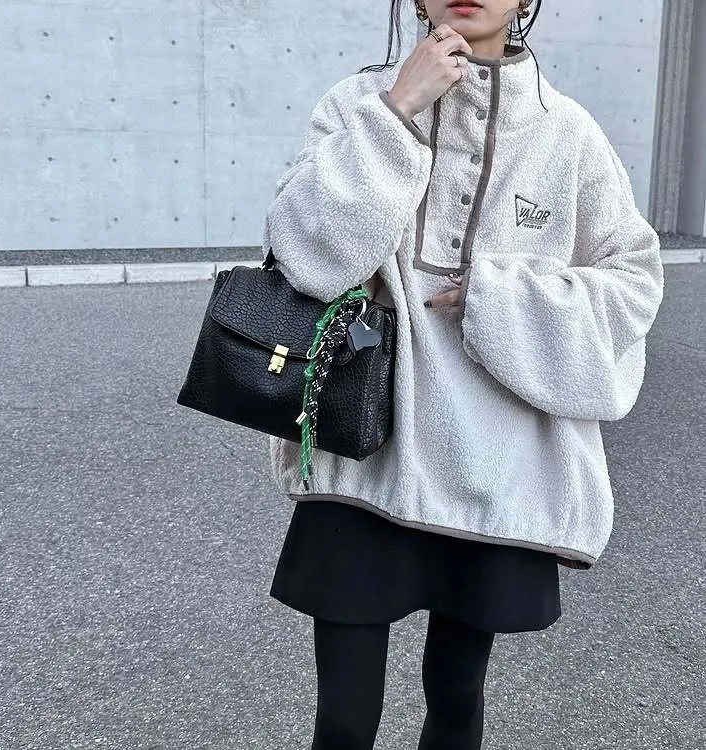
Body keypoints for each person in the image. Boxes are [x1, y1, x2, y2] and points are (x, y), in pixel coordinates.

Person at [261, 1, 665, 747]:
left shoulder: (567, 133)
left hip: (499, 466)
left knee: (456, 697)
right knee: (344, 718)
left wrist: (500, 297)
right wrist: (397, 111)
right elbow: (305, 254)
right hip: (367, 449)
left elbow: (634, 285)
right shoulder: (359, 103)